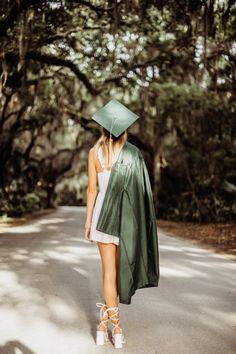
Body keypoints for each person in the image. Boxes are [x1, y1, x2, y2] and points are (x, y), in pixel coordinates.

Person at [85, 98, 160, 349]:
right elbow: (142, 194)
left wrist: (88, 223)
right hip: (124, 223)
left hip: (101, 221)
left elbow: (92, 191)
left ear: (102, 128)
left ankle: (106, 326)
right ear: (124, 129)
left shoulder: (93, 153)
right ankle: (115, 329)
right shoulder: (133, 155)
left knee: (108, 274)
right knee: (117, 276)